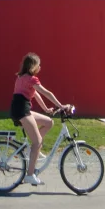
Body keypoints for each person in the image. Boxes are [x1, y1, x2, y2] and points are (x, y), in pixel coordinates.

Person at [11, 52, 72, 187]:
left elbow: (36, 94)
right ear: (33, 66)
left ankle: (32, 148)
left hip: (20, 109)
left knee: (49, 122)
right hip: (22, 111)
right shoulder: (32, 79)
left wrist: (46, 109)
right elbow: (46, 93)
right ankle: (29, 175)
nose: (40, 67)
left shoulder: (21, 77)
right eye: (39, 65)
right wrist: (61, 106)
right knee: (37, 142)